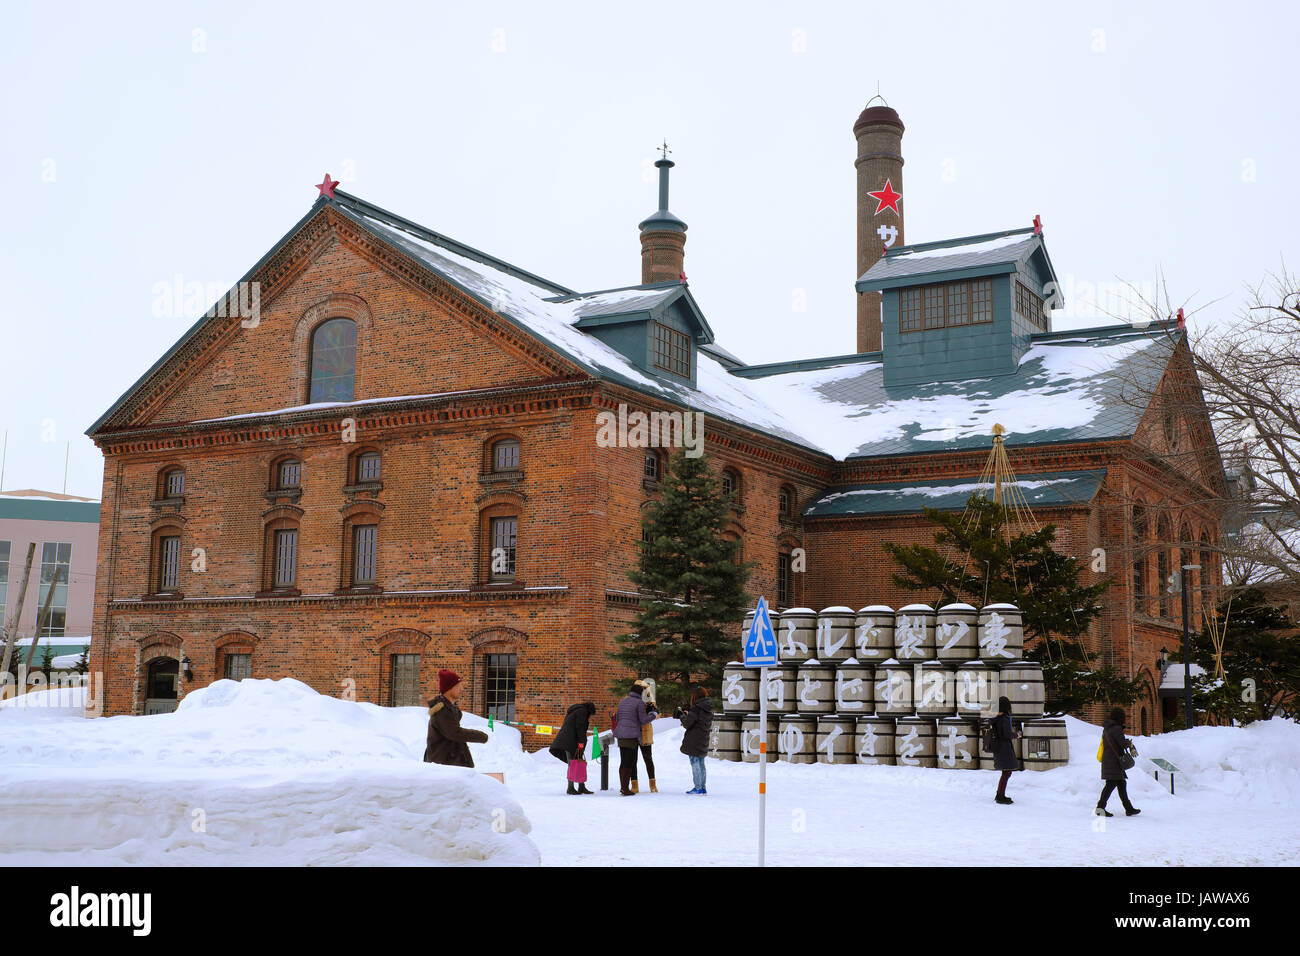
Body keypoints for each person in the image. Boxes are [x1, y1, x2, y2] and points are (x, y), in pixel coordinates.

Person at [423, 669, 489, 767]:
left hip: (450, 762)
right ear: (449, 688)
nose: (461, 689)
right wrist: (481, 736)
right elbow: (455, 733)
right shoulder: (442, 710)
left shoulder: (449, 708)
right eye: (458, 686)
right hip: (443, 764)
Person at [1096, 707, 1141, 817]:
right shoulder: (1116, 728)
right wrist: (1130, 745)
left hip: (1110, 760)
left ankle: (1129, 808)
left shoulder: (1107, 728)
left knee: (1121, 783)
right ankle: (1100, 808)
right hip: (1114, 761)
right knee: (1110, 785)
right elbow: (1121, 743)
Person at [613, 683, 655, 795]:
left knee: (623, 761)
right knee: (629, 762)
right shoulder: (639, 703)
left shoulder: (622, 701)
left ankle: (623, 787)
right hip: (631, 736)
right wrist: (653, 714)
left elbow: (617, 717)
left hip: (621, 734)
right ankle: (625, 789)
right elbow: (643, 720)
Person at [550, 701, 596, 795]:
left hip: (569, 740)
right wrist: (581, 743)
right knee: (573, 764)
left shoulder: (575, 711)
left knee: (578, 762)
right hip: (570, 741)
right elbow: (580, 728)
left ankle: (581, 786)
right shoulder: (582, 712)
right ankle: (570, 788)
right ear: (589, 711)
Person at [678, 686, 715, 795]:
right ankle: (703, 787)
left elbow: (687, 724)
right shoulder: (708, 709)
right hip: (704, 738)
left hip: (694, 739)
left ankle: (698, 788)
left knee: (695, 763)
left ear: (695, 696)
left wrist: (683, 716)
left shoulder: (696, 709)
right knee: (701, 763)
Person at [991, 695, 1022, 805]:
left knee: (1006, 772)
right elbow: (1006, 734)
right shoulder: (1003, 718)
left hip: (998, 747)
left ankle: (1000, 794)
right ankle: (1000, 796)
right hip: (1004, 748)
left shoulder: (995, 717)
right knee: (1007, 772)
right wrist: (1017, 735)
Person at [636, 680, 660, 793]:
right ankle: (634, 784)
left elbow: (657, 714)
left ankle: (652, 784)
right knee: (633, 760)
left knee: (648, 758)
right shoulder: (632, 699)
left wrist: (652, 709)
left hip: (645, 731)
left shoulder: (650, 699)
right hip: (634, 731)